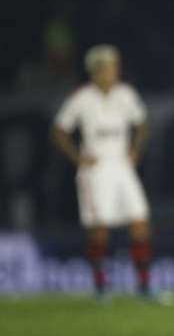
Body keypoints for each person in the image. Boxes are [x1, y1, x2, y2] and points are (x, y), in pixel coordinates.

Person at [51, 44, 154, 302]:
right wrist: (78, 157)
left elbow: (142, 124)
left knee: (140, 222)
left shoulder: (125, 95)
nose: (113, 71)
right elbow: (59, 131)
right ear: (96, 71)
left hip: (122, 166)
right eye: (108, 67)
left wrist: (135, 151)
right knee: (100, 230)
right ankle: (101, 288)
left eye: (114, 66)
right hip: (95, 171)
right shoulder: (81, 98)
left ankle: (144, 287)